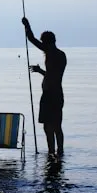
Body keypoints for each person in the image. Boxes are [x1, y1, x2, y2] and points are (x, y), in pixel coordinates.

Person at [22, 17, 67, 157]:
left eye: (43, 42)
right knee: (55, 126)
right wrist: (40, 71)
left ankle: (52, 152)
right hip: (57, 94)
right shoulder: (61, 55)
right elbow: (53, 75)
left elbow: (31, 39)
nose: (42, 45)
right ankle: (57, 152)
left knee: (49, 127)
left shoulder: (51, 52)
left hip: (49, 95)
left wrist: (27, 25)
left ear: (47, 42)